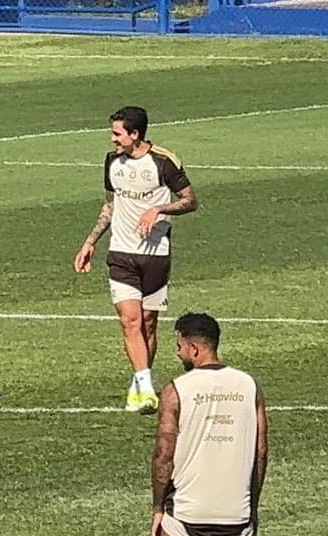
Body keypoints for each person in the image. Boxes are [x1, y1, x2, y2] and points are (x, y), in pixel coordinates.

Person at [74, 106, 199, 413]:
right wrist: (90, 242)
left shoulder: (163, 162)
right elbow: (110, 206)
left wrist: (158, 209)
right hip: (121, 253)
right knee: (130, 319)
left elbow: (190, 200)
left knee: (148, 322)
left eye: (117, 134)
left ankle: (139, 382)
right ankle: (146, 388)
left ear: (135, 134)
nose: (113, 139)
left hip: (155, 254)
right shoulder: (112, 161)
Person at [150, 313, 269, 536]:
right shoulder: (249, 386)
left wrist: (157, 508)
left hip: (187, 512)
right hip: (234, 512)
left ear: (193, 348)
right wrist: (251, 504)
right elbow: (261, 452)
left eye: (179, 346)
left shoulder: (176, 390)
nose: (177, 352)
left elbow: (164, 456)